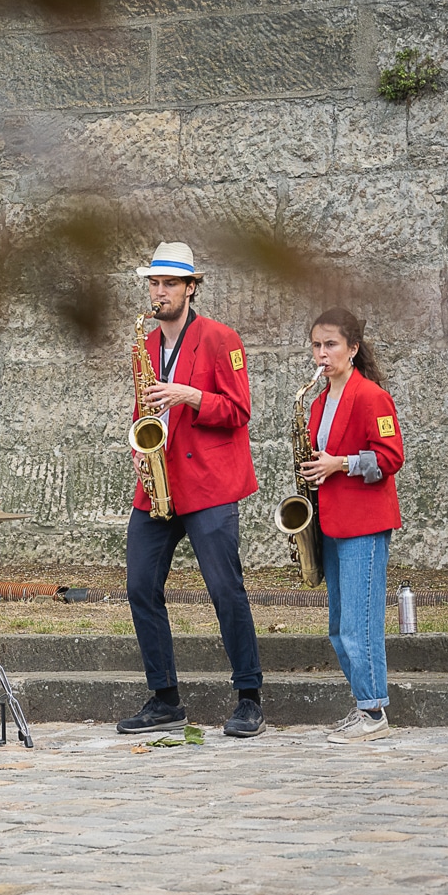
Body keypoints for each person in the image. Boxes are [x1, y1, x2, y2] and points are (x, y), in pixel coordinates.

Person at [118, 242, 265, 738]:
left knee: (225, 590)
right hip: (157, 483)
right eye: (154, 284)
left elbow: (240, 411)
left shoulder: (223, 338)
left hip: (208, 484)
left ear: (191, 288)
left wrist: (191, 395)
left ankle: (249, 697)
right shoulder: (146, 344)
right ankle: (164, 699)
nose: (159, 292)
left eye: (170, 284)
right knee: (140, 585)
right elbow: (144, 408)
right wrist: (141, 445)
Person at [300, 308, 403, 743]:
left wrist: (339, 463)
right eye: (317, 346)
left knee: (359, 626)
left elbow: (391, 457)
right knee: (339, 628)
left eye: (331, 345)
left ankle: (374, 713)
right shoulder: (320, 401)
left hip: (364, 524)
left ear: (353, 349)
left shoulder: (371, 396)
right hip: (333, 525)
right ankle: (364, 704)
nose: (322, 355)